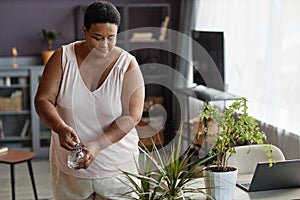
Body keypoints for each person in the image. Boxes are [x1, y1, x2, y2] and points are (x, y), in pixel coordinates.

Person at [34, 1, 145, 199]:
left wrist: (97, 145)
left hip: (118, 171)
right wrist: (59, 127)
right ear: (84, 31)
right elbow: (43, 100)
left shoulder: (127, 65)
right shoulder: (62, 58)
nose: (105, 45)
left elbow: (133, 116)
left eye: (111, 38)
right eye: (97, 38)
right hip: (71, 172)